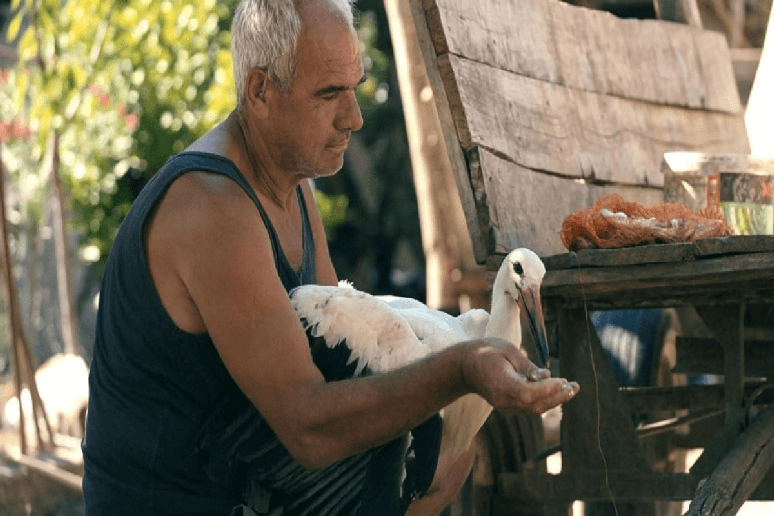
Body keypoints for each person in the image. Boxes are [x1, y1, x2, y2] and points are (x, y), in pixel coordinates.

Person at [81, 0, 580, 514]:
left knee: (442, 455)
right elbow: (309, 427)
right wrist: (462, 369)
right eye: (329, 94)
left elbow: (343, 365)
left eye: (355, 88)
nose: (354, 118)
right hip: (172, 504)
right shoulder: (212, 207)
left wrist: (454, 391)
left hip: (250, 486)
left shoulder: (292, 189)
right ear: (260, 91)